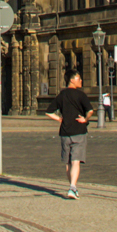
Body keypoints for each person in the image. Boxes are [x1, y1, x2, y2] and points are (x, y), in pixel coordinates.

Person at [44, 68, 93, 200]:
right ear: (72, 80)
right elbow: (90, 111)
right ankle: (72, 187)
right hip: (79, 131)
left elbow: (49, 112)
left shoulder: (61, 95)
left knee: (68, 162)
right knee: (75, 161)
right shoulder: (81, 95)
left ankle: (72, 187)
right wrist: (85, 119)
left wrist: (59, 119)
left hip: (65, 132)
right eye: (79, 78)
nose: (81, 80)